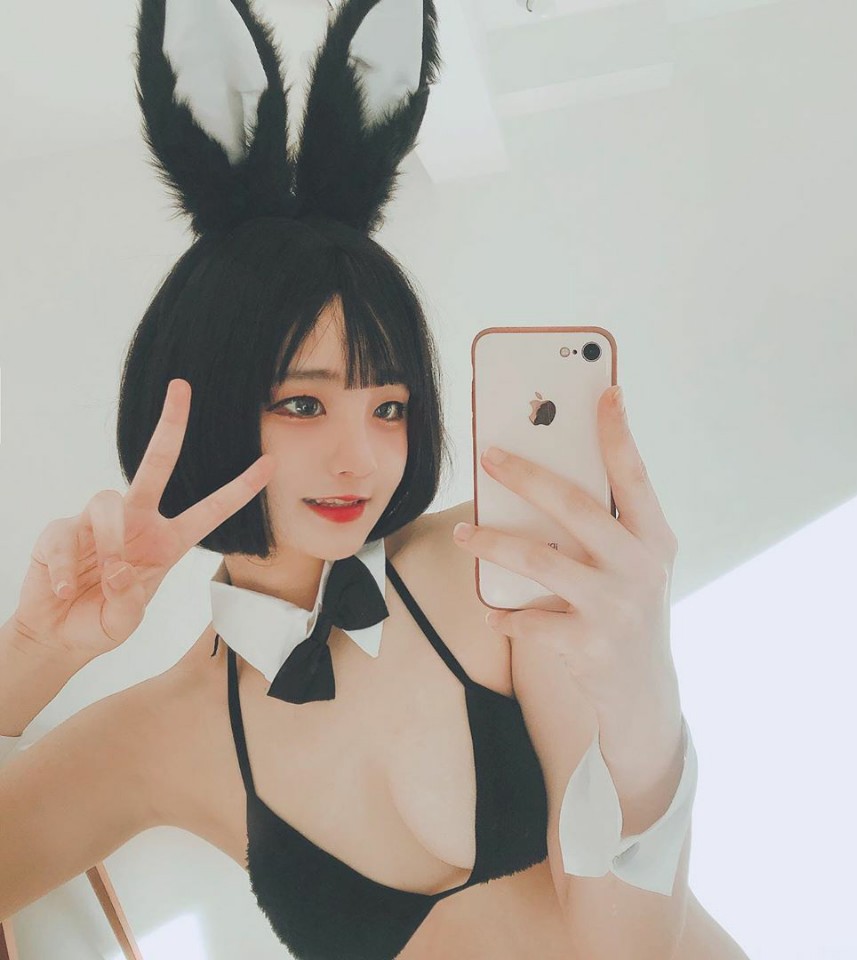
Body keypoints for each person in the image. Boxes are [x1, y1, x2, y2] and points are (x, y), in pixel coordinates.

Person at [0, 0, 751, 957]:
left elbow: (628, 949)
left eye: (388, 407)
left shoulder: (498, 565)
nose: (361, 457)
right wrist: (35, 650)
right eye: (303, 403)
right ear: (205, 403)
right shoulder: (162, 735)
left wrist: (643, 699)